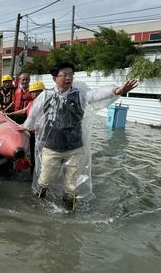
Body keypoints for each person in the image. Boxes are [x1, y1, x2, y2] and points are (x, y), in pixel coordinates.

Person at [20, 62, 138, 211]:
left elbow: (96, 94)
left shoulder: (79, 94)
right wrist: (25, 126)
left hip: (75, 148)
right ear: (55, 78)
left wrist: (116, 90)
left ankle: (69, 212)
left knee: (71, 185)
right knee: (44, 179)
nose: (69, 78)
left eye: (71, 74)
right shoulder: (46, 95)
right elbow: (33, 114)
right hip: (52, 147)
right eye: (64, 75)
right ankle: (37, 206)